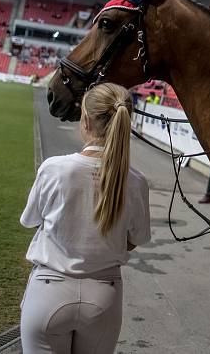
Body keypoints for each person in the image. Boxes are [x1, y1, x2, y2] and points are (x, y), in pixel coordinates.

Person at [20, 83, 151, 353]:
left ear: (86, 120)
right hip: (104, 295)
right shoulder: (136, 181)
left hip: (48, 290)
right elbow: (135, 240)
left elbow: (31, 220)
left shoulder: (54, 169)